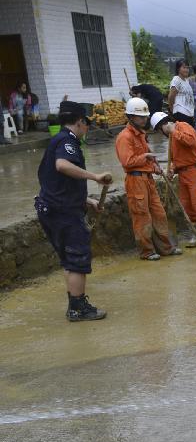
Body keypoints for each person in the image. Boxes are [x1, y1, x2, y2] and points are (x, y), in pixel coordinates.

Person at [35, 101, 113, 321]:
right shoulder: (67, 141)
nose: (87, 128)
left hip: (54, 208)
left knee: (70, 259)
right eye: (87, 124)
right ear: (79, 122)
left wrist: (87, 200)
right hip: (63, 214)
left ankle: (75, 303)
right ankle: (78, 308)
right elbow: (62, 166)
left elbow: (55, 182)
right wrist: (95, 177)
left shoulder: (57, 140)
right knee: (78, 258)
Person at [116, 98, 182, 261]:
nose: (145, 119)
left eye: (145, 117)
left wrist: (157, 169)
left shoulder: (141, 135)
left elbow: (147, 161)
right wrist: (145, 156)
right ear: (131, 117)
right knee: (142, 215)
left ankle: (165, 248)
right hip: (135, 181)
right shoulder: (124, 137)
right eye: (141, 117)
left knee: (159, 213)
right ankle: (147, 251)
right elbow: (127, 162)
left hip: (148, 179)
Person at [150, 111, 196, 247]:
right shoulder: (171, 138)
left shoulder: (183, 126)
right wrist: (172, 169)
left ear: (163, 125)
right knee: (188, 206)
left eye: (159, 129)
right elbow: (177, 158)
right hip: (183, 175)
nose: (161, 133)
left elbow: (191, 142)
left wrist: (174, 131)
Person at [167, 59, 195, 126]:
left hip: (189, 114)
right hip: (180, 113)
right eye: (184, 67)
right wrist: (172, 110)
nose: (186, 70)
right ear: (178, 69)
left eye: (187, 68)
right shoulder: (176, 79)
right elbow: (171, 97)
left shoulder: (186, 81)